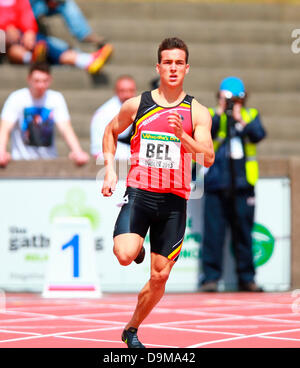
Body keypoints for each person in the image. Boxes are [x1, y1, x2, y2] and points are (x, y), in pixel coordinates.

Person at [101, 37, 215, 348]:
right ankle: (136, 246)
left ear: (187, 68)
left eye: (179, 62)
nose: (174, 68)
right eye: (168, 62)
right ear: (159, 66)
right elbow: (110, 131)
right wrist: (111, 170)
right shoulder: (137, 105)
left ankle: (132, 329)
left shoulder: (198, 112)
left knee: (160, 277)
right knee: (124, 255)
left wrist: (184, 138)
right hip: (140, 193)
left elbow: (207, 156)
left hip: (174, 202)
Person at [200, 76, 267, 293]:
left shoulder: (251, 114)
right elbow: (206, 134)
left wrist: (240, 119)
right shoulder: (210, 115)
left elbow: (258, 135)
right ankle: (210, 278)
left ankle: (246, 278)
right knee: (213, 233)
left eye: (235, 99)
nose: (231, 103)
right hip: (217, 183)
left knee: (244, 233)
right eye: (226, 98)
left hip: (242, 184)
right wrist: (221, 112)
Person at [0, 62, 89, 166]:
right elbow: (5, 128)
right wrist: (1, 152)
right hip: (21, 161)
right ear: (29, 79)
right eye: (37, 81)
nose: (40, 85)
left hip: (49, 161)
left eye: (44, 81)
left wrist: (77, 151)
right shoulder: (16, 98)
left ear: (50, 80)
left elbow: (65, 128)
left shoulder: (56, 98)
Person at [0, 0, 112, 74]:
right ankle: (83, 59)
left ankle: (33, 58)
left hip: (13, 40)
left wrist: (29, 31)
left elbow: (25, 13)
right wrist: (6, 26)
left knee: (22, 44)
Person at [90, 75, 137, 160]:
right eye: (122, 91)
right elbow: (98, 149)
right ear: (115, 91)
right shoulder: (103, 113)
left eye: (131, 90)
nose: (127, 94)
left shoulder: (139, 107)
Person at [30, 0, 106, 48]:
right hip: (28, 7)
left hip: (45, 4)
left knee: (67, 3)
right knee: (38, 6)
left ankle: (84, 34)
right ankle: (37, 26)